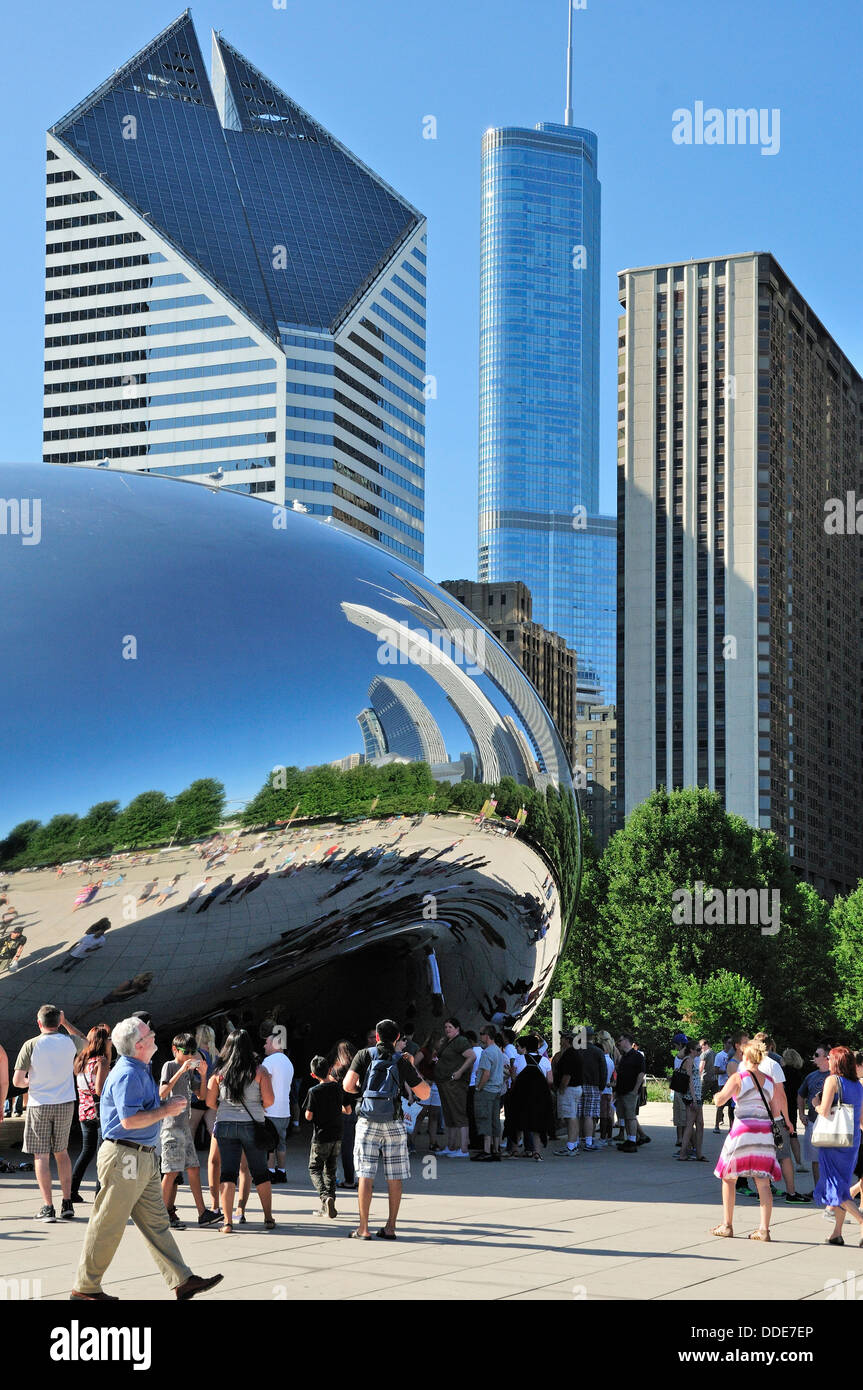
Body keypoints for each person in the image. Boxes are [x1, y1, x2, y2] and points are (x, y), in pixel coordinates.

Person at [71, 1017, 224, 1300]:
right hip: (125, 1156)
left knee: (157, 1223)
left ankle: (182, 1279)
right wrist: (166, 1112)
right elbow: (129, 1120)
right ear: (139, 1045)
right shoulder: (128, 1073)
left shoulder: (140, 1068)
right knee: (108, 1223)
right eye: (148, 1033)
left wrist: (165, 1106)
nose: (154, 1035)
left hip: (142, 1156)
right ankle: (85, 1288)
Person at [341, 1019, 429, 1240]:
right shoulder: (401, 1060)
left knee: (365, 1175)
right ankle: (390, 1227)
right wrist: (412, 1066)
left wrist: (364, 1088)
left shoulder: (364, 1055)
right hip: (394, 1121)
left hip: (367, 1121)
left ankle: (363, 1228)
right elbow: (425, 1093)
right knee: (395, 1176)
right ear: (397, 1038)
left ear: (377, 1037)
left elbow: (347, 1085)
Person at [13, 1005, 88, 1221]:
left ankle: (48, 1206)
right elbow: (86, 1043)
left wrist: (34, 1081)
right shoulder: (69, 1041)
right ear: (58, 1021)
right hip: (65, 1102)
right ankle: (67, 1202)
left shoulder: (31, 1045)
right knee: (62, 1152)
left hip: (39, 1103)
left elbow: (18, 1081)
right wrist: (66, 1023)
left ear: (39, 1023)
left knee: (41, 1156)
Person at [711, 1039, 782, 1241]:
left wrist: (717, 1096)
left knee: (728, 1176)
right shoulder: (769, 1081)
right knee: (763, 1182)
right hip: (764, 1133)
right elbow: (775, 1110)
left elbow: (720, 1100)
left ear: (745, 1056)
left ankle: (727, 1225)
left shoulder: (738, 1077)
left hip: (743, 1130)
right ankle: (764, 1229)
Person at [206, 1029, 276, 1233]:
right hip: (252, 1126)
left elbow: (210, 1102)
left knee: (227, 1173)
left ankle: (227, 1222)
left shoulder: (218, 1073)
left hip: (225, 1126)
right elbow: (270, 1101)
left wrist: (227, 1110)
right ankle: (268, 1218)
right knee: (260, 1172)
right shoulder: (259, 1071)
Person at [159, 1034, 221, 1228]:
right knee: (170, 1172)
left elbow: (201, 1095)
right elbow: (161, 1093)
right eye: (186, 1052)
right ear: (175, 1050)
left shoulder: (189, 1071)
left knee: (193, 1168)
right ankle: (159, 1215)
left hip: (184, 1127)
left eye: (193, 1052)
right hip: (171, 1126)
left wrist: (203, 1075)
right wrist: (181, 1070)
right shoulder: (169, 1066)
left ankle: (203, 1213)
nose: (189, 1056)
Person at [813, 1045, 863, 1246]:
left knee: (836, 1188)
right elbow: (861, 1118)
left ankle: (861, 1221)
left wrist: (816, 1103)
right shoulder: (858, 1085)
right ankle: (837, 1233)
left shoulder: (832, 1080)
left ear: (837, 1062)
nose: (828, 1062)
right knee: (841, 1183)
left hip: (833, 1141)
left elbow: (824, 1111)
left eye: (830, 1059)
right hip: (851, 1141)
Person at [70, 1024, 113, 1203]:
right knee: (102, 1155)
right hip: (100, 1113)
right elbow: (99, 1090)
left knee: (86, 1152)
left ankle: (71, 1191)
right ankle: (99, 1194)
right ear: (103, 1042)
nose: (111, 1041)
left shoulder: (81, 1060)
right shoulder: (101, 1061)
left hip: (84, 1112)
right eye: (109, 1039)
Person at [304, 1054, 348, 1217]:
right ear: (330, 1070)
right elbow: (348, 1110)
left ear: (313, 1075)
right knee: (331, 1169)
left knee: (314, 1168)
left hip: (321, 1136)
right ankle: (330, 1203)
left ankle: (324, 1197)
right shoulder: (338, 1087)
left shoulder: (313, 1091)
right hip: (336, 1134)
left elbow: (308, 1116)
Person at [505, 1035, 555, 1160]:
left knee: (517, 1122)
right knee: (538, 1125)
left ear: (525, 1047)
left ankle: (515, 1150)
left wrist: (511, 1073)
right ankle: (536, 1152)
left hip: (521, 1096)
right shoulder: (544, 1061)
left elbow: (515, 1078)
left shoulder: (519, 1059)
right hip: (539, 1097)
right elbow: (550, 1080)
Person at [435, 1017, 474, 1157]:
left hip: (455, 1083)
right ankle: (451, 1146)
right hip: (444, 1082)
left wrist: (459, 1072)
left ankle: (463, 1148)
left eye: (450, 1027)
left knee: (459, 1114)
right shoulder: (447, 1041)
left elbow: (471, 1056)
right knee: (449, 1114)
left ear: (457, 1028)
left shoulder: (461, 1041)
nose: (447, 1029)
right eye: (446, 1027)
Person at [261, 1023, 294, 1181]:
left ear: (274, 1044)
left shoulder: (269, 1061)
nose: (264, 1045)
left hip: (270, 1110)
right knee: (281, 1143)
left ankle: (270, 1173)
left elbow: (263, 1084)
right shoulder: (288, 1062)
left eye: (267, 1043)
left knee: (269, 1145)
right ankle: (281, 1171)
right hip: (284, 1110)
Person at [798, 1044, 831, 1193]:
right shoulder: (811, 1076)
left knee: (830, 1159)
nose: (814, 1057)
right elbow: (801, 1095)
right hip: (813, 1121)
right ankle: (819, 1189)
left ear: (827, 1057)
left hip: (831, 1123)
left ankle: (831, 1189)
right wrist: (801, 1114)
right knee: (815, 1159)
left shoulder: (835, 1076)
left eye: (817, 1055)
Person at [472, 1025, 505, 1160]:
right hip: (497, 1090)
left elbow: (486, 1073)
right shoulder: (498, 1050)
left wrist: (479, 1087)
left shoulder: (487, 1052)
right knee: (495, 1120)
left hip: (486, 1090)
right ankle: (496, 1149)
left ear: (487, 1035)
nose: (480, 1037)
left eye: (481, 1034)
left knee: (484, 1119)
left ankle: (486, 1151)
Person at [329, 1040, 359, 1188]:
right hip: (357, 1110)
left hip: (339, 1111)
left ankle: (343, 1179)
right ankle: (357, 1178)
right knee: (354, 1147)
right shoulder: (358, 1068)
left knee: (337, 1147)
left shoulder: (336, 1070)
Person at [553, 1028, 584, 1155]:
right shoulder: (574, 1053)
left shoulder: (569, 1054)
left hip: (569, 1089)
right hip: (574, 1089)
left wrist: (561, 1088)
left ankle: (571, 1147)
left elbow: (567, 1075)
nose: (560, 1041)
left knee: (570, 1117)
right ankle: (573, 1144)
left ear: (567, 1040)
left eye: (562, 1038)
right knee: (572, 1116)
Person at [614, 1033, 645, 1153]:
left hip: (630, 1091)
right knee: (625, 1117)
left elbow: (641, 1074)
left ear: (626, 1041)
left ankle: (632, 1141)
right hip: (622, 1091)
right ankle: (629, 1139)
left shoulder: (637, 1056)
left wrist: (635, 1090)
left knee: (631, 1117)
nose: (618, 1043)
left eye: (620, 1041)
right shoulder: (624, 1056)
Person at [578, 1027, 607, 1152]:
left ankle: (577, 1139)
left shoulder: (577, 1050)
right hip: (593, 1086)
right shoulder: (598, 1051)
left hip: (577, 1084)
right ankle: (589, 1141)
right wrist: (601, 1087)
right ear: (593, 1037)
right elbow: (603, 1071)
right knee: (589, 1115)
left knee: (578, 1114)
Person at [677, 1042, 705, 1161]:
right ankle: (683, 1153)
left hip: (696, 1096)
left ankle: (698, 1153)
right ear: (691, 1050)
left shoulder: (692, 1060)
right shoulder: (688, 1060)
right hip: (691, 1097)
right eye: (698, 1049)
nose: (700, 1052)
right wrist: (694, 1098)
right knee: (690, 1124)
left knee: (700, 1123)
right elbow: (689, 1080)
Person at [713, 1038, 730, 1132]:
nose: (730, 1044)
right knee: (720, 1105)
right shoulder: (719, 1055)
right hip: (723, 1083)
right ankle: (716, 1125)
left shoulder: (735, 1055)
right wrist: (726, 1071)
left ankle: (732, 1127)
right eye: (729, 1042)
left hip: (733, 1083)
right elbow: (715, 1070)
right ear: (724, 1043)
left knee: (732, 1107)